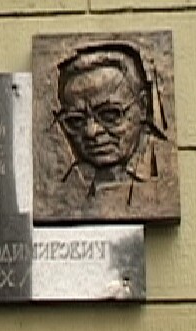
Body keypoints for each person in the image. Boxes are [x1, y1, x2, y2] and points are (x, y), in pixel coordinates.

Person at [52, 42, 170, 216]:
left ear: (143, 106)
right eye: (76, 120)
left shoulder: (164, 167)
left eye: (109, 115)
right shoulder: (64, 181)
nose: (91, 132)